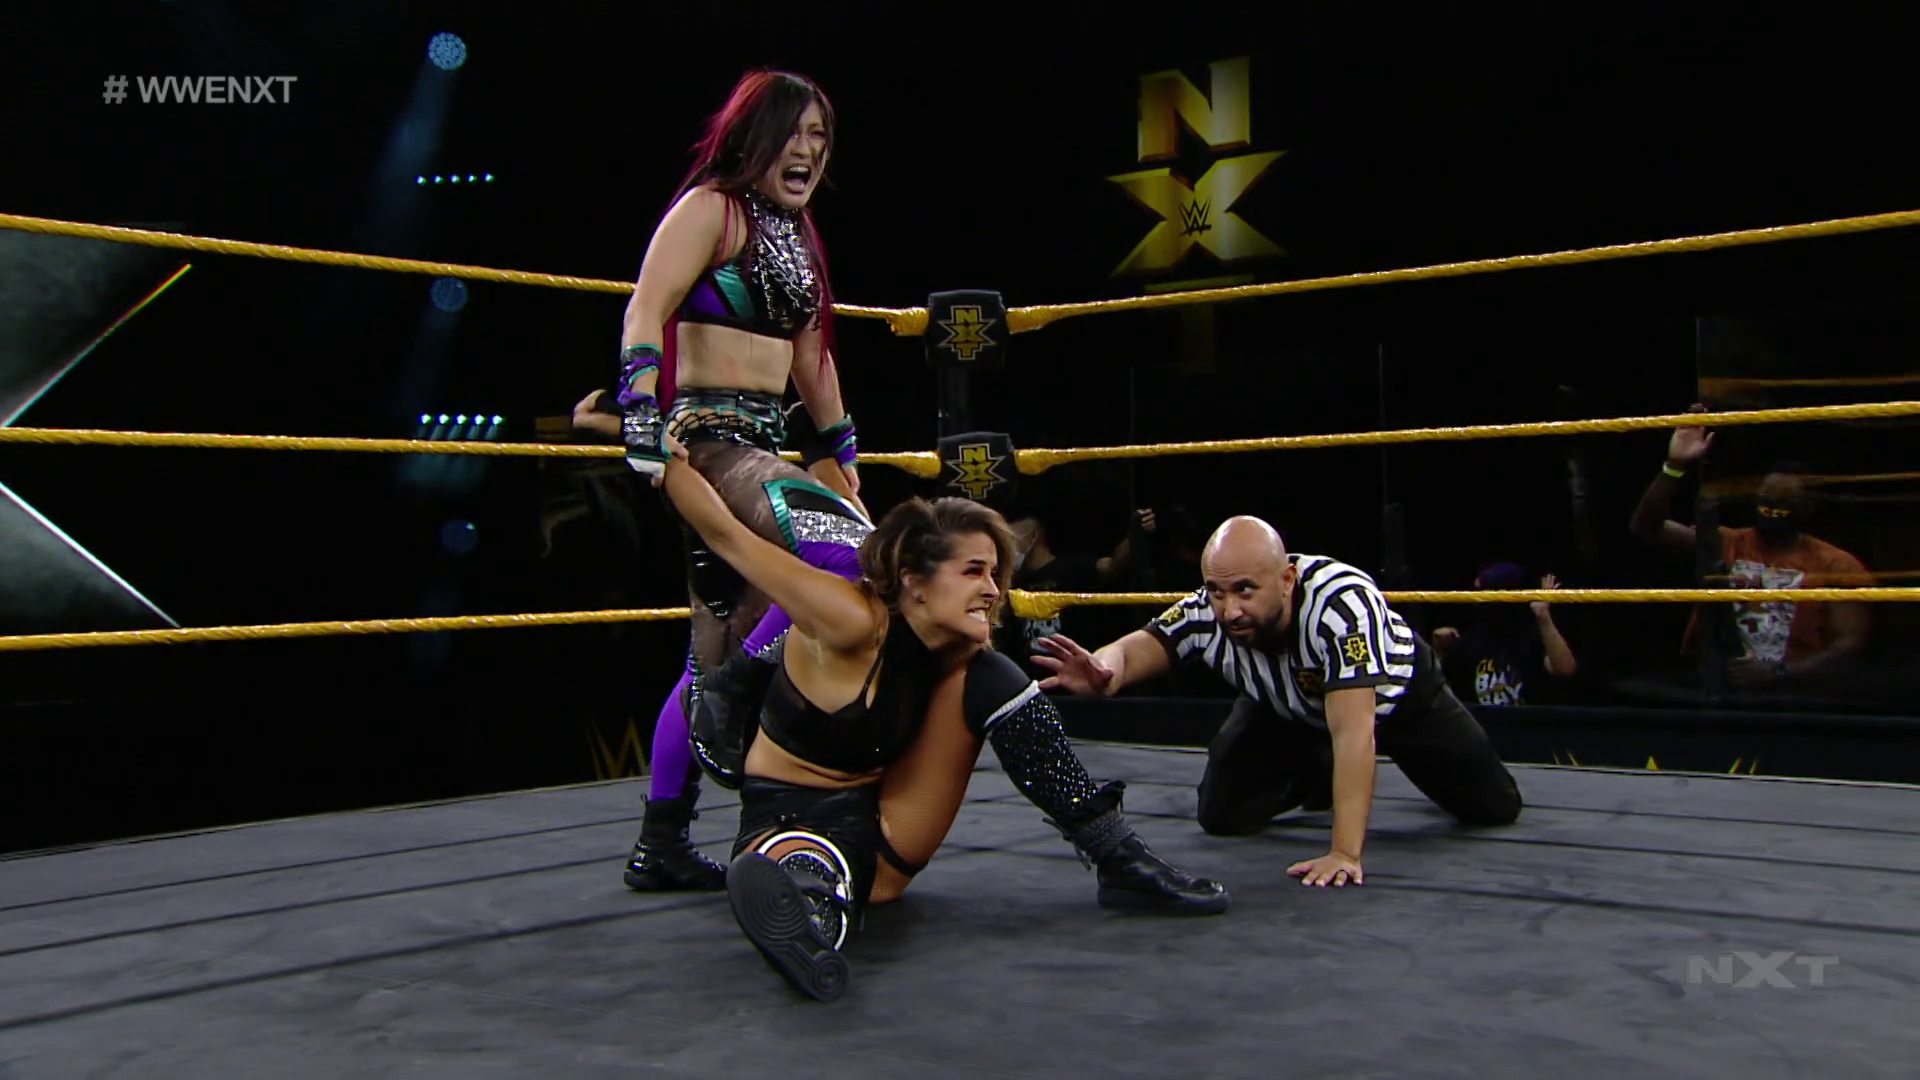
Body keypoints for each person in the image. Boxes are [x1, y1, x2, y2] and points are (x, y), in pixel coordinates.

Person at [657, 455, 1231, 1001]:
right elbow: (729, 537)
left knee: (993, 676)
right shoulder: (847, 618)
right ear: (914, 581)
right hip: (791, 814)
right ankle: (811, 919)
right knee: (805, 866)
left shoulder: (953, 653)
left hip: (885, 819)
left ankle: (1119, 857)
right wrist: (661, 459)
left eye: (995, 573)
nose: (993, 589)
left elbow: (839, 486)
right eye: (974, 571)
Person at [605, 70, 873, 893]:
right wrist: (639, 412)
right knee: (852, 555)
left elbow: (812, 363)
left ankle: (661, 841)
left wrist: (841, 457)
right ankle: (740, 690)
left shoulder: (798, 237)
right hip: (710, 444)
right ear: (754, 137)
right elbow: (645, 308)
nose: (807, 150)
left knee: (714, 646)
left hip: (767, 446)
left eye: (819, 137)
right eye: (793, 132)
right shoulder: (710, 210)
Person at [1033, 516, 1522, 890]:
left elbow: (1356, 732)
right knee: (1222, 816)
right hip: (1282, 706)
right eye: (1217, 591)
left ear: (1287, 580)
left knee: (1493, 808)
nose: (1230, 610)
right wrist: (1103, 671)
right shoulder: (1209, 607)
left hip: (1397, 703)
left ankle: (1328, 770)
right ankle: (1315, 771)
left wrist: (1344, 853)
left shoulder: (1340, 608)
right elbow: (1141, 646)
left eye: (1245, 590)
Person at [1629, 405, 1872, 687]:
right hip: (1718, 687)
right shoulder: (1728, 542)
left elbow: (1850, 643)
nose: (1774, 504)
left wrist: (1780, 674)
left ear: (1809, 506)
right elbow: (1647, 527)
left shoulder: (1836, 564)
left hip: (1796, 695)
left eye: (1786, 498)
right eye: (1768, 494)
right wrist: (1675, 466)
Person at [1431, 562, 1579, 707]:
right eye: (1477, 592)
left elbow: (1565, 670)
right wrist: (1439, 652)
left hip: (1531, 720)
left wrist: (1544, 618)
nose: (1478, 599)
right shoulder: (1472, 640)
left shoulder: (1534, 634)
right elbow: (1439, 691)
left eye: (1485, 592)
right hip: (1486, 722)